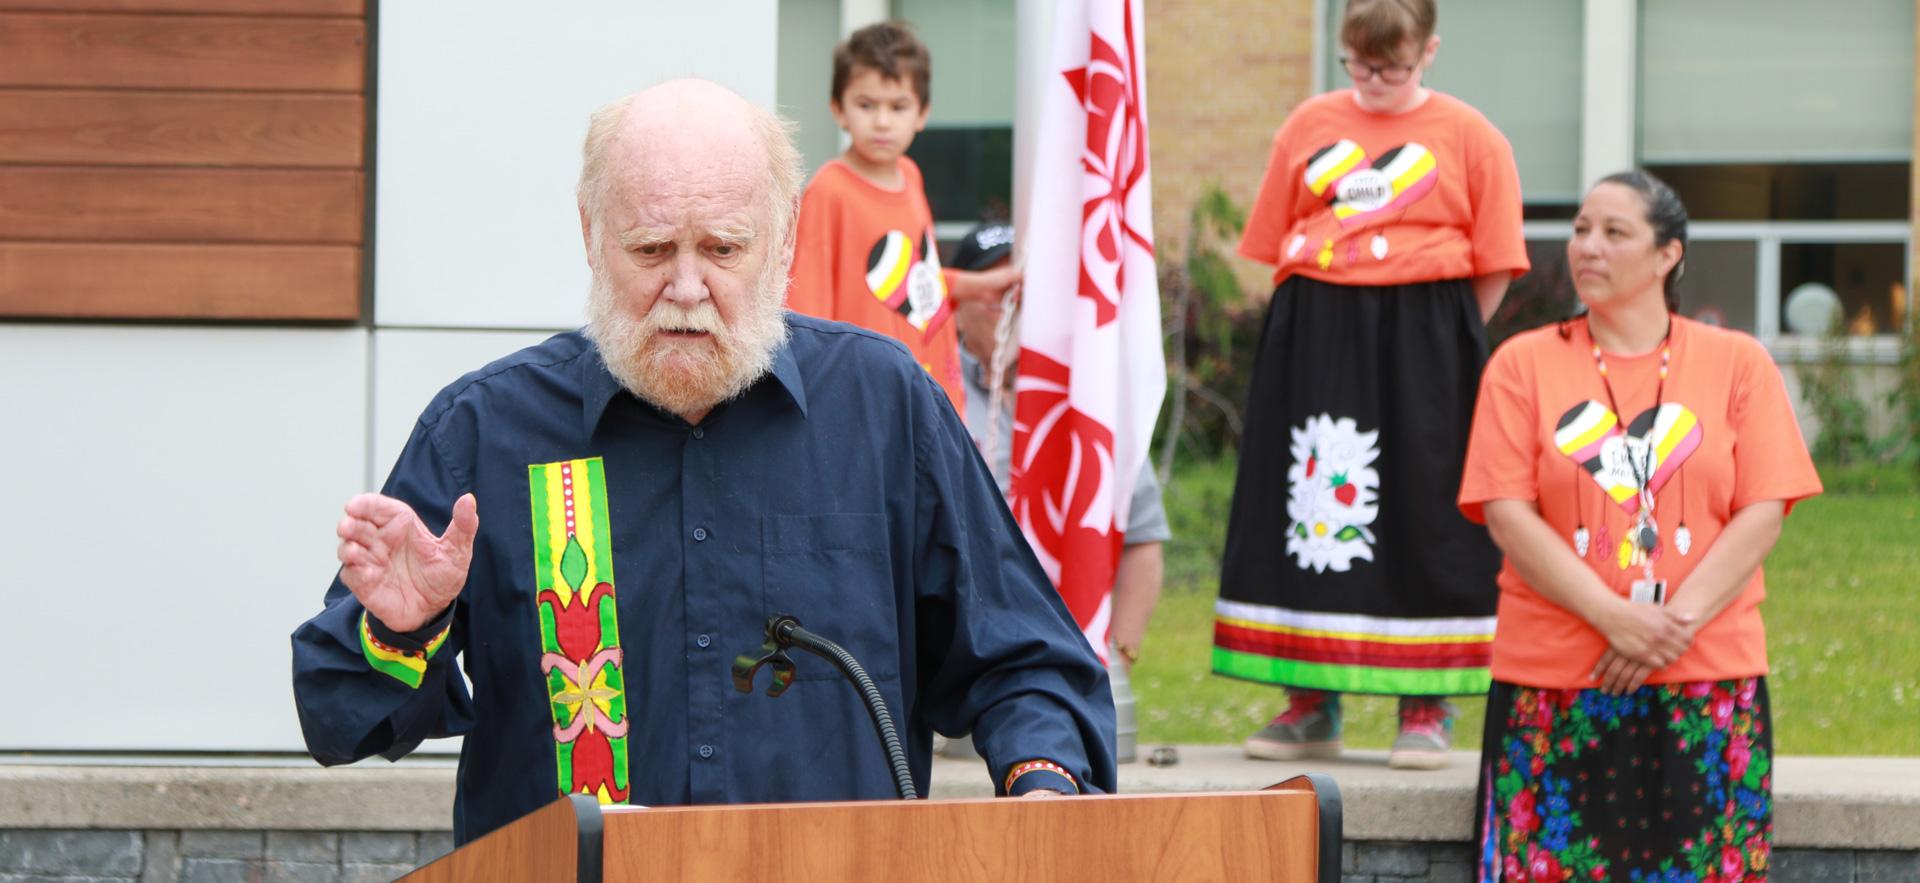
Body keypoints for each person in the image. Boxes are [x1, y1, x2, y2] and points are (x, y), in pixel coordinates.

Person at [290, 80, 1116, 846]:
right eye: (651, 249)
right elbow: (337, 714)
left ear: (786, 233)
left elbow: (1025, 661)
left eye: (723, 248)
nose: (686, 287)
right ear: (589, 232)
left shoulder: (885, 407)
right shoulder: (483, 430)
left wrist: (1041, 790)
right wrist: (404, 630)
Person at [1458, 169, 1820, 881]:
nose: (1588, 246)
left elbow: (1763, 509)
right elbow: (1506, 512)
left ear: (1668, 255)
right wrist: (1609, 616)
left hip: (1707, 681)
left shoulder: (1737, 363)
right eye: (1582, 229)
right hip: (1555, 679)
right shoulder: (1520, 366)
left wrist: (1667, 626)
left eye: (1615, 232)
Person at [1215, 0, 1529, 769]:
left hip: (1426, 340)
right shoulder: (1308, 124)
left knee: (1426, 502)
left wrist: (1439, 329)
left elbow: (1493, 263)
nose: (1372, 80)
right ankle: (1310, 699)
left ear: (1430, 52)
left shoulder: (1471, 135)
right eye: (1358, 63)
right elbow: (1273, 242)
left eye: (1390, 66)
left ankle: (1425, 703)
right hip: (1318, 337)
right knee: (1316, 497)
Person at [941, 224, 1169, 761]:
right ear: (959, 300)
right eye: (996, 291)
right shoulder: (926, 384)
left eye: (1027, 292)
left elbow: (1142, 535)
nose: (1012, 306)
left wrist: (1118, 660)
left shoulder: (1091, 400)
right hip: (959, 676)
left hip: (1068, 663)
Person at [785, 21, 1020, 414]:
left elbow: (914, 281)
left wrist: (980, 285)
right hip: (867, 402)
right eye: (866, 105)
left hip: (930, 391)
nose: (881, 121)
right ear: (838, 109)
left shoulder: (910, 176)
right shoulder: (829, 192)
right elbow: (807, 312)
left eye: (897, 107)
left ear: (922, 113)